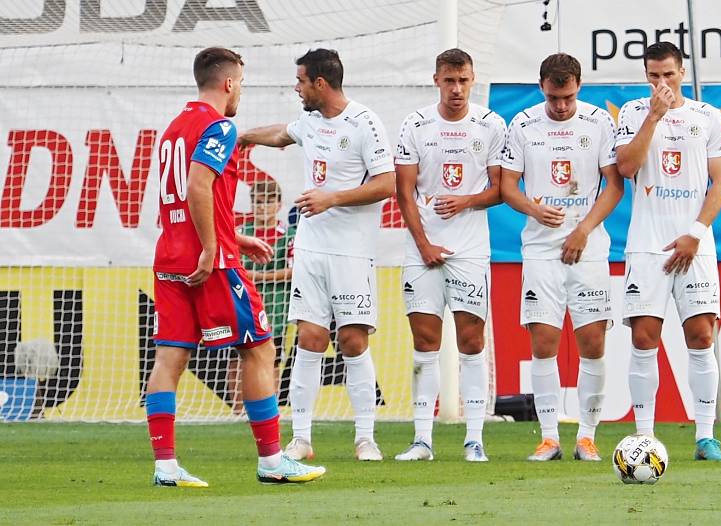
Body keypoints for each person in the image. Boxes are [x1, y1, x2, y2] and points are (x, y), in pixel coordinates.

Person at [147, 46, 325, 487]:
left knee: (170, 356)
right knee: (258, 348)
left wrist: (231, 236)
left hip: (170, 255)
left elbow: (181, 196)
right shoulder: (219, 126)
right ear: (228, 83)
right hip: (211, 263)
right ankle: (271, 460)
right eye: (240, 83)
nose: (240, 91)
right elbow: (197, 185)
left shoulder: (173, 128)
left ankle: (165, 466)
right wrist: (213, 247)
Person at [239, 49, 395, 461]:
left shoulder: (364, 123)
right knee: (308, 339)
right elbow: (282, 135)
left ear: (320, 84)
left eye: (301, 81)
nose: (297, 87)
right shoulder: (309, 122)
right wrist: (243, 136)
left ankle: (365, 438)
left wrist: (333, 198)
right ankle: (301, 438)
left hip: (351, 252)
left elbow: (387, 184)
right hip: (311, 249)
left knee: (352, 340)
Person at [500, 53, 623, 461]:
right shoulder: (523, 124)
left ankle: (587, 437)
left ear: (579, 87)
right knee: (544, 341)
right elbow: (507, 187)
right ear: (542, 87)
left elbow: (614, 187)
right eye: (554, 97)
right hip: (540, 248)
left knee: (592, 341)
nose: (562, 106)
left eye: (568, 97)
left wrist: (583, 230)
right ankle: (549, 437)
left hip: (587, 246)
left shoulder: (599, 122)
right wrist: (533, 210)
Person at [615, 42, 721, 461]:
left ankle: (705, 436)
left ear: (682, 72)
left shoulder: (709, 117)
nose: (661, 83)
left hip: (695, 245)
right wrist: (654, 115)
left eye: (668, 74)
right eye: (653, 75)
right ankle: (644, 436)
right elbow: (626, 168)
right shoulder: (632, 113)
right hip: (647, 245)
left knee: (701, 337)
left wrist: (695, 233)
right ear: (645, 76)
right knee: (644, 339)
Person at [393, 48, 506, 462]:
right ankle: (422, 439)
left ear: (472, 79)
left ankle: (474, 438)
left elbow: (499, 189)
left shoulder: (491, 124)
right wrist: (423, 244)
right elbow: (404, 191)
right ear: (436, 80)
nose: (456, 89)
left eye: (463, 80)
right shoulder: (416, 124)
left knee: (471, 341)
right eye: (449, 80)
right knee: (425, 340)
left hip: (470, 250)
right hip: (422, 248)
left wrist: (465, 201)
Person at [228, 178, 296, 411]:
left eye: (268, 201)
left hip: (276, 303)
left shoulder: (288, 234)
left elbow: (294, 270)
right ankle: (237, 412)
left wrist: (259, 277)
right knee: (238, 355)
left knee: (272, 355)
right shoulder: (239, 232)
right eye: (257, 202)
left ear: (278, 205)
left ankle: (269, 411)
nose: (262, 207)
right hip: (241, 300)